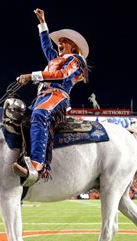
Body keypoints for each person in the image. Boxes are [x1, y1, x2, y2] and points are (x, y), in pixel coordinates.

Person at [13, 8, 89, 182]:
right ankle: (22, 157)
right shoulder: (55, 58)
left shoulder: (76, 60)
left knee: (40, 114)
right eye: (59, 42)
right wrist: (42, 22)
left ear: (73, 46)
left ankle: (37, 166)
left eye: (63, 41)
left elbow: (61, 75)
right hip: (42, 97)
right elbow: (46, 45)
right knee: (22, 119)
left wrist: (31, 76)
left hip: (58, 97)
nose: (59, 43)